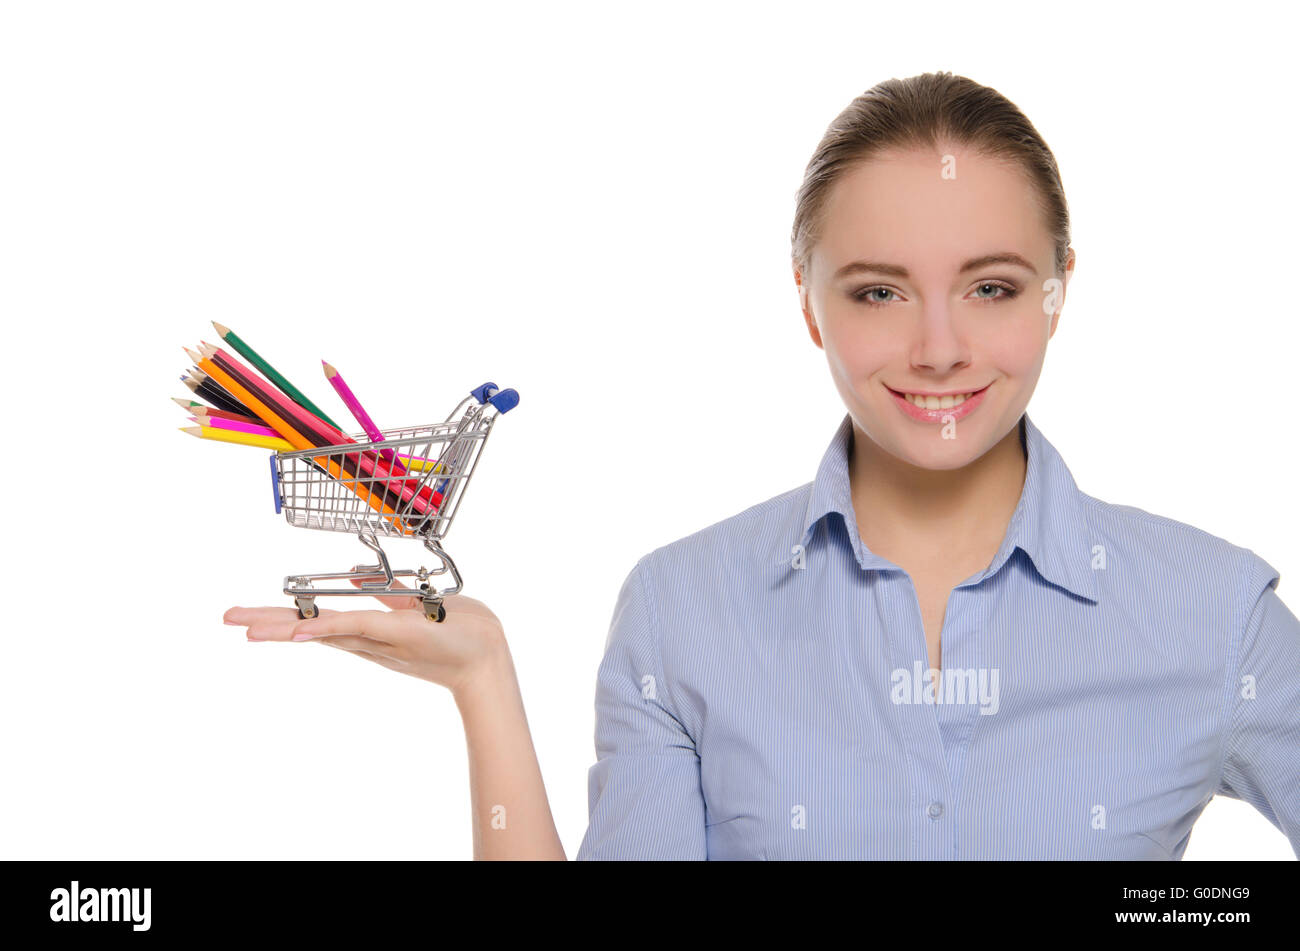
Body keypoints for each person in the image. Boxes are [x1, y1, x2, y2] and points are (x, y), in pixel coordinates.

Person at [222, 71, 1300, 860]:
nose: (937, 348)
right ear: (806, 303)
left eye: (992, 287)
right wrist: (481, 679)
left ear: (1063, 286)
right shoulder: (679, 612)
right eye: (877, 291)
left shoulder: (1213, 616)